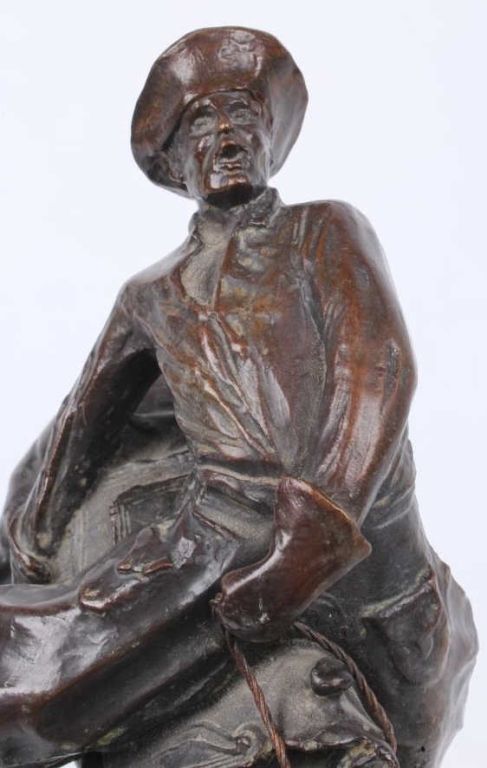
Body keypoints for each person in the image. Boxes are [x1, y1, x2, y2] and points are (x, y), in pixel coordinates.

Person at [0, 27, 477, 768]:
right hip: (215, 529)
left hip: (347, 525)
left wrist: (315, 532)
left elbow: (376, 370)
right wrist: (25, 543)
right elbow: (75, 433)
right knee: (32, 689)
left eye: (242, 115)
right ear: (174, 161)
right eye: (201, 122)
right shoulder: (151, 293)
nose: (225, 134)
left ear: (268, 139)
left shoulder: (324, 229)